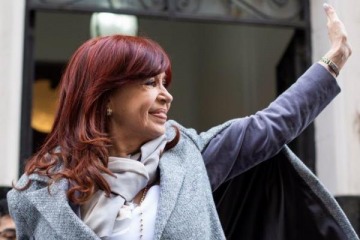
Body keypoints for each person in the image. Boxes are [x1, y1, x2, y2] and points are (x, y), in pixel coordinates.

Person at [7, 4, 357, 240]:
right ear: (106, 97)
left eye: (165, 83)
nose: (166, 95)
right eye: (149, 83)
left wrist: (334, 60)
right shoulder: (40, 193)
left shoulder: (190, 157)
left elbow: (269, 126)